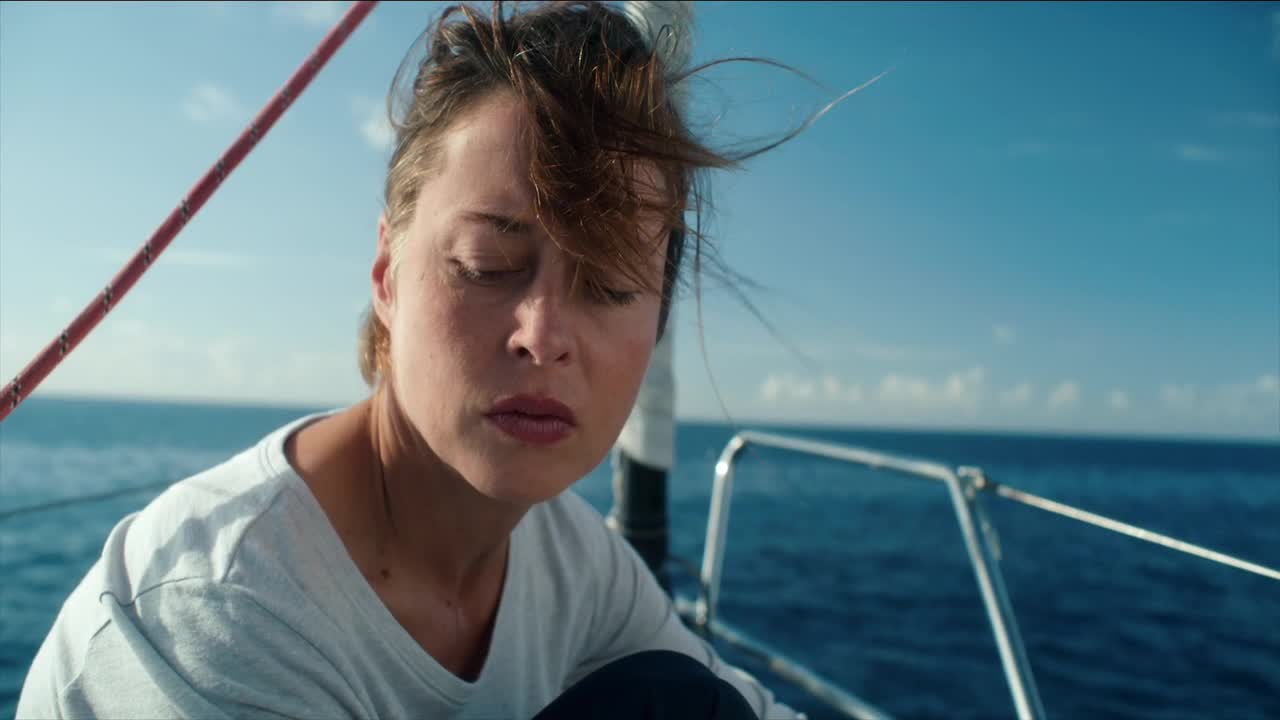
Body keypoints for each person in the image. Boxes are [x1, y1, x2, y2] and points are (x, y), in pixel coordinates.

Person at [18, 2, 808, 718]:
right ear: (387, 274)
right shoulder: (215, 621)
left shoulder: (574, 564)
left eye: (609, 285)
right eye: (487, 264)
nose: (544, 334)